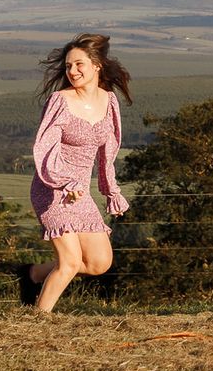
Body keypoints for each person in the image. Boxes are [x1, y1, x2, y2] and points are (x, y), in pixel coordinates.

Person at [21, 33, 131, 312]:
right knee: (70, 262)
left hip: (80, 192)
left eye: (79, 64)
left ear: (97, 65)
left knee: (98, 263)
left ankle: (33, 275)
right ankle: (38, 322)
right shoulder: (60, 101)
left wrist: (111, 192)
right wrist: (63, 179)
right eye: (68, 66)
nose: (72, 71)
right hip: (52, 188)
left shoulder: (109, 102)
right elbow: (45, 149)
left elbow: (108, 152)